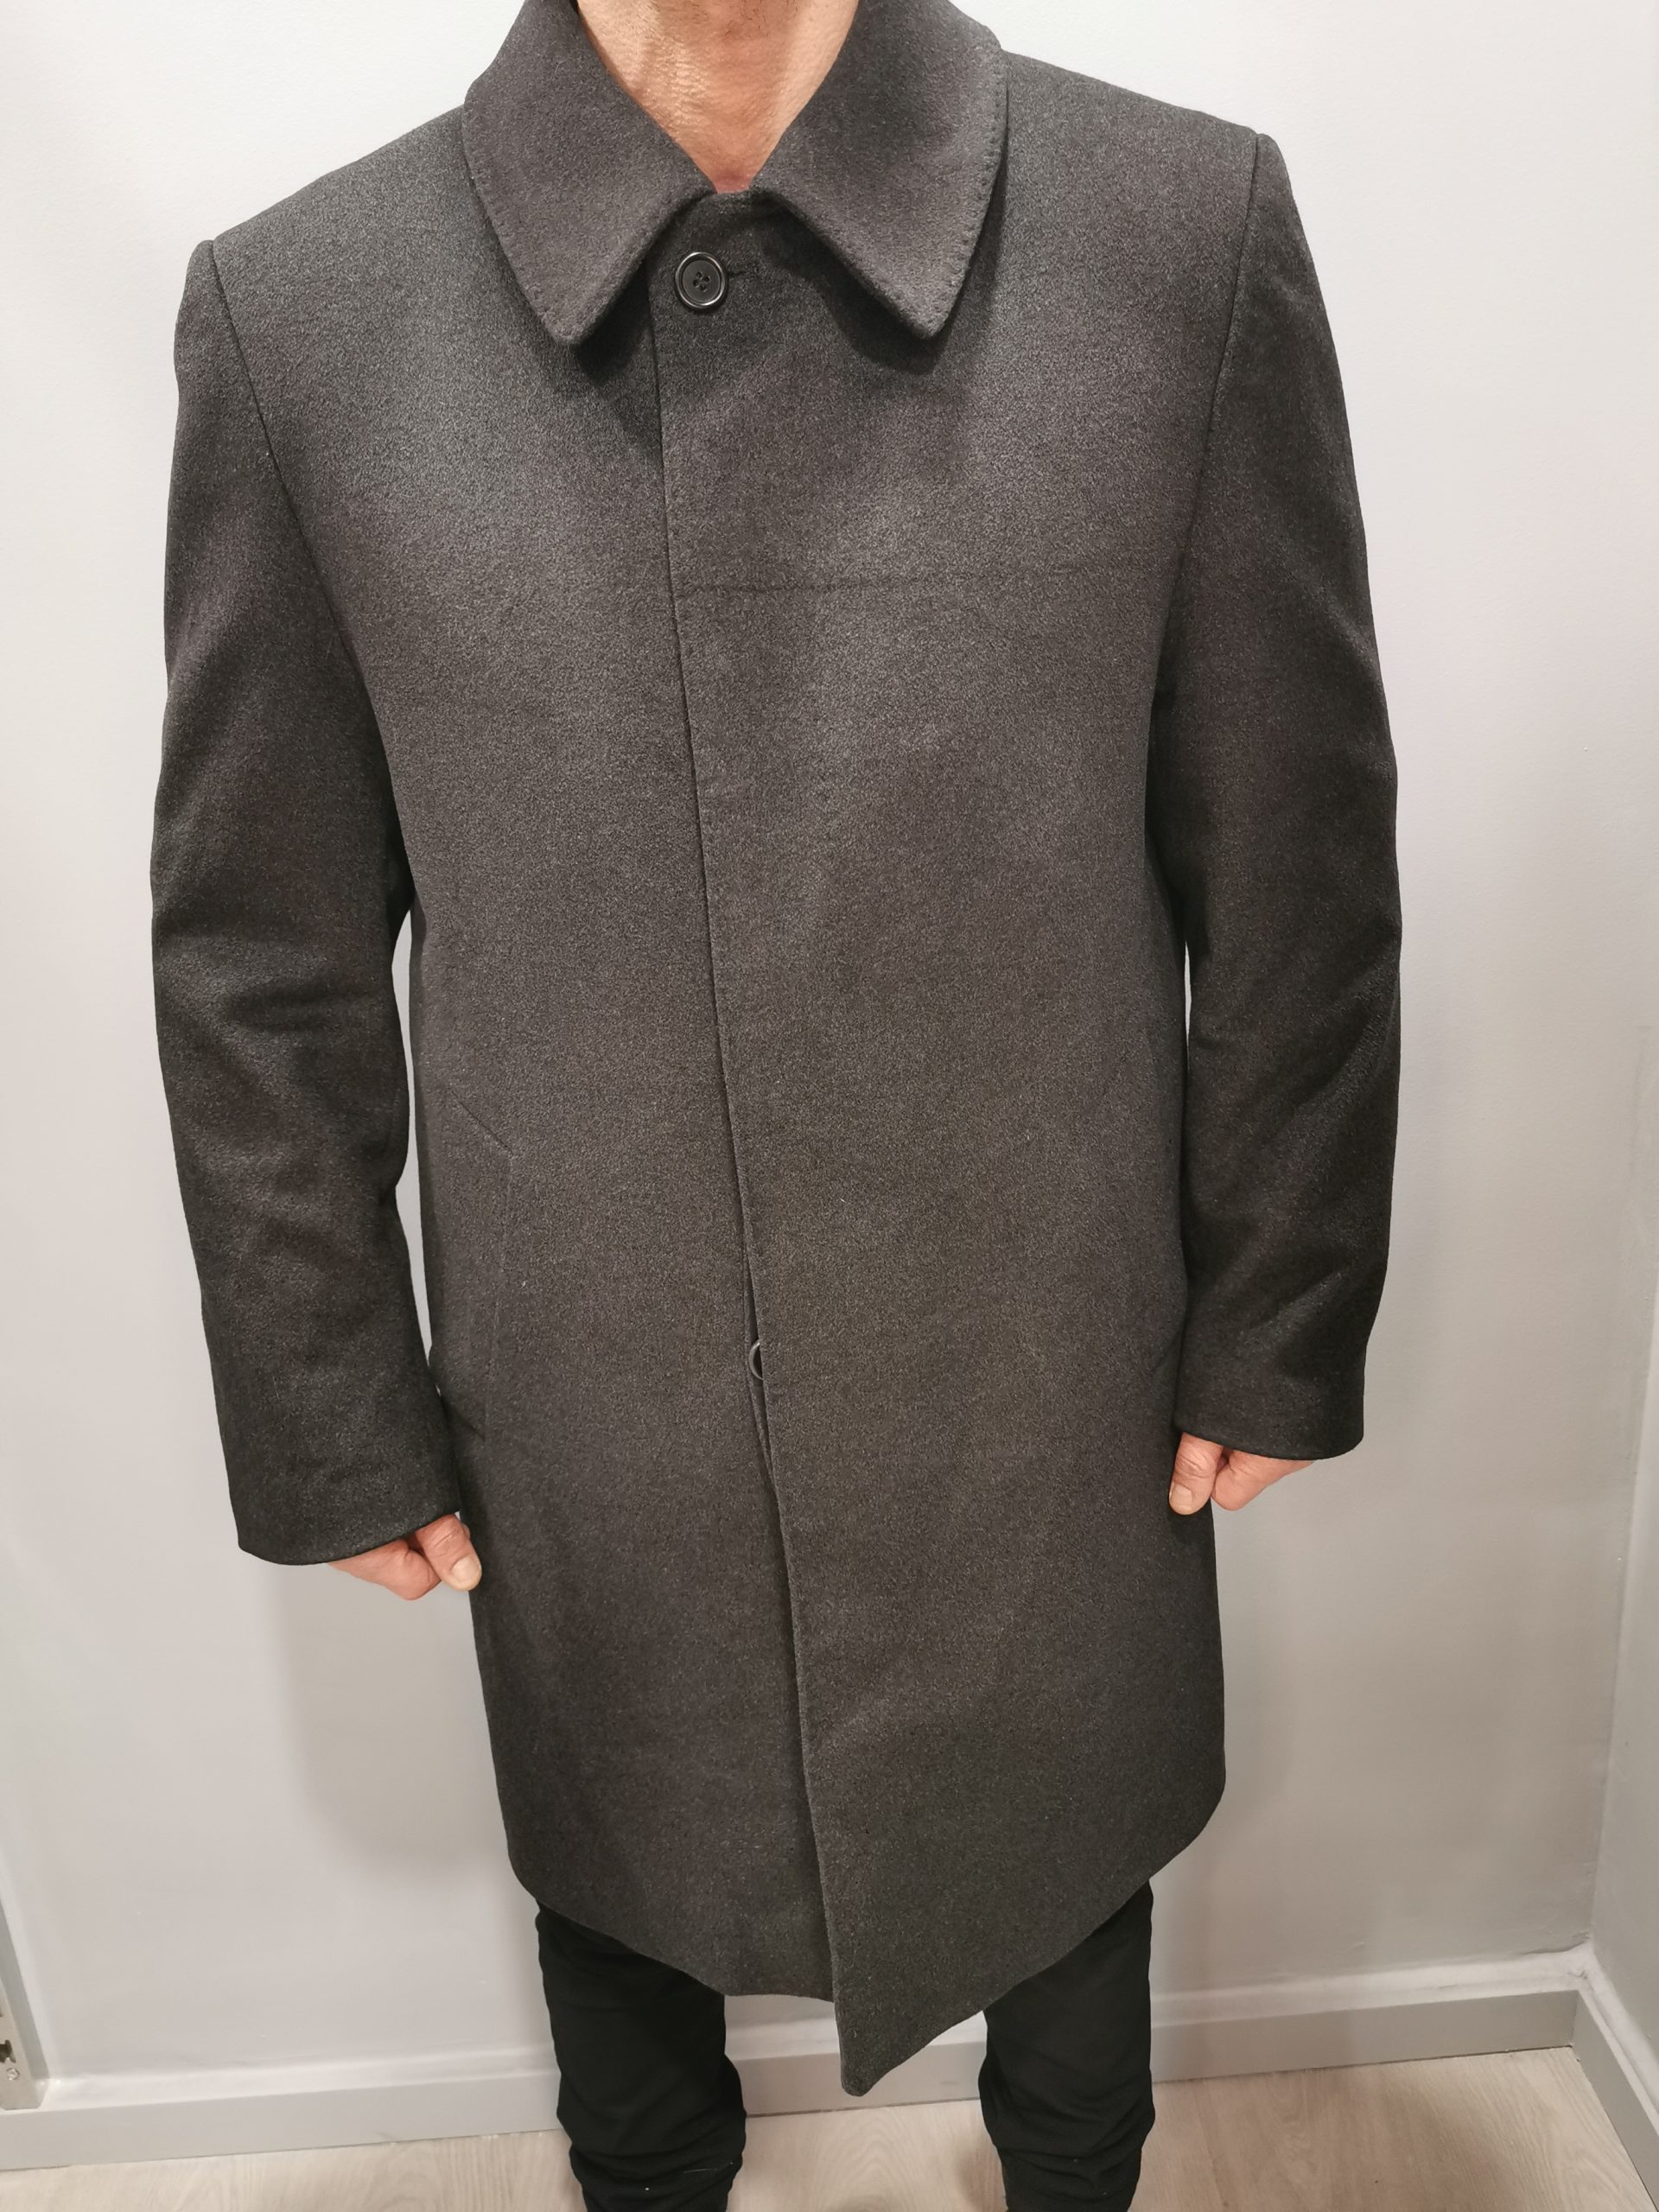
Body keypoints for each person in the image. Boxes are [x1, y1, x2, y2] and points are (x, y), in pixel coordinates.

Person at [149, 0, 1402, 2203]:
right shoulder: (308, 318)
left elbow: (1290, 849)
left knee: (1071, 1914)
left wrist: (1282, 1308)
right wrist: (327, 1396)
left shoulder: (1174, 234)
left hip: (1049, 1364)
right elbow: (263, 947)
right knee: (624, 1952)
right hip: (591, 1384)